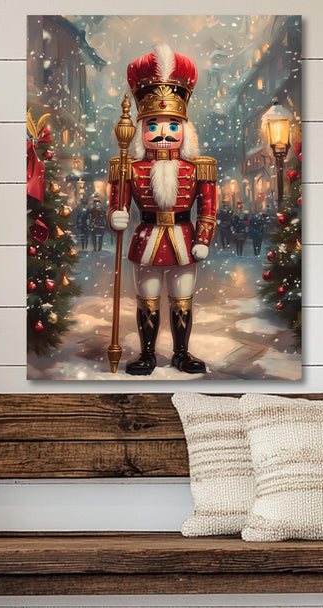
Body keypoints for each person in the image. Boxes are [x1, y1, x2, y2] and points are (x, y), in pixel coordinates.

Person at [107, 44, 217, 375]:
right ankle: (148, 354)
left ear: (185, 129)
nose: (165, 133)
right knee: (148, 300)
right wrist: (116, 216)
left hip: (185, 238)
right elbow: (118, 203)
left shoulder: (200, 167)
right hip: (146, 239)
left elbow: (208, 209)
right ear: (142, 131)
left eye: (172, 125)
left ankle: (182, 353)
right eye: (154, 125)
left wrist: (204, 238)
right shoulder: (129, 166)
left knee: (183, 300)